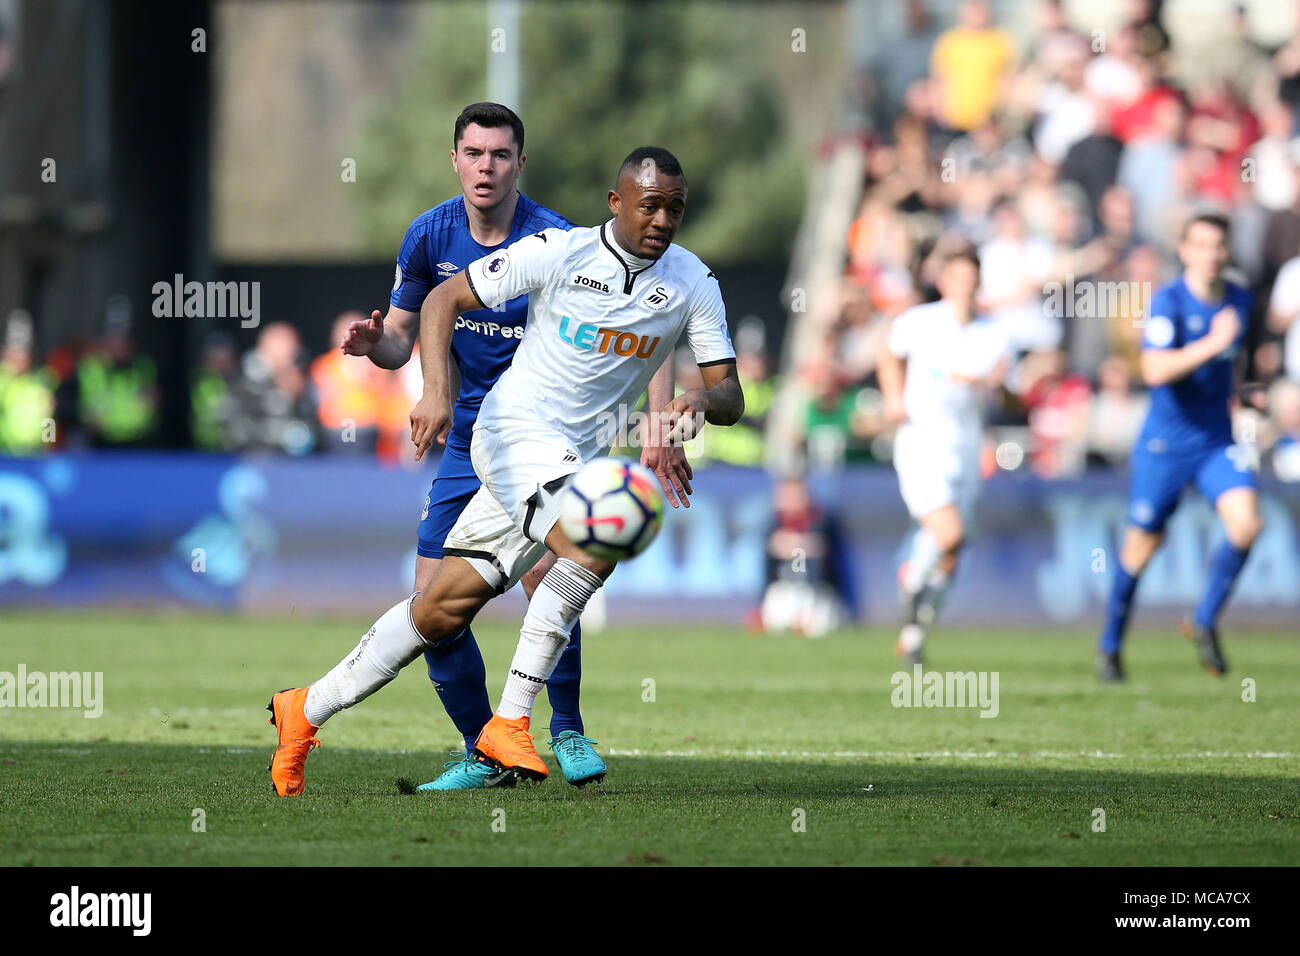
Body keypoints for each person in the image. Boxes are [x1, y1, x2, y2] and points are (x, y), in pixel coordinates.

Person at [266, 146, 742, 795]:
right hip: (510, 431)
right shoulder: (559, 250)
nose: (662, 219)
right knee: (601, 531)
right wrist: (435, 389)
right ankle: (512, 724)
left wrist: (695, 402)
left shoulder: (693, 282)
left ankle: (304, 709)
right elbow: (442, 299)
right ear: (617, 203)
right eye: (650, 204)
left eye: (675, 209)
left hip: (572, 456)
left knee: (438, 611)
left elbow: (731, 394)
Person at [337, 104, 684, 790]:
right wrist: (377, 346)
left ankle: (567, 730)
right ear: (456, 160)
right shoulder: (428, 235)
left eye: (500, 154)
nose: (486, 166)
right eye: (474, 153)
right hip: (471, 433)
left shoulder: (558, 239)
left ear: (520, 163)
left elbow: (648, 321)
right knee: (432, 602)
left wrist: (656, 419)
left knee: (549, 571)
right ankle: (486, 750)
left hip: (547, 430)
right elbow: (406, 336)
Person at [1096, 212, 1261, 681]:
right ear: (1184, 250)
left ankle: (1204, 619)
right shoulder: (1168, 302)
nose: (1211, 254)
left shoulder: (1239, 301)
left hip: (1215, 442)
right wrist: (1213, 343)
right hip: (1165, 445)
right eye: (1201, 245)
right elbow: (1155, 372)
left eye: (1218, 245)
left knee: (1247, 524)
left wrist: (1248, 391)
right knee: (1140, 548)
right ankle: (1109, 645)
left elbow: (1236, 365)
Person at [877, 247, 1010, 666]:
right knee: (948, 532)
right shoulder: (921, 322)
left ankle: (914, 635)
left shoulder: (993, 334)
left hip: (966, 448)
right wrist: (894, 397)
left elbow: (1008, 396)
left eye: (972, 279)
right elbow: (887, 352)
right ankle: (912, 576)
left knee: (954, 549)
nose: (965, 286)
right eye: (958, 277)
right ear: (945, 281)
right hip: (922, 444)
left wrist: (999, 385)